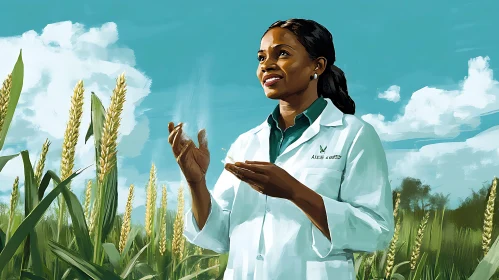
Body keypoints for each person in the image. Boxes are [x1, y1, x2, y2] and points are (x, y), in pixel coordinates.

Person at [168, 18, 394, 280]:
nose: (266, 65)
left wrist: (293, 191)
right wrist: (196, 183)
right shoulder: (246, 142)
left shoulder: (354, 135)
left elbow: (376, 231)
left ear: (317, 66)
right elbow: (219, 235)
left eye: (282, 54)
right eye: (261, 57)